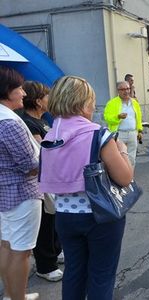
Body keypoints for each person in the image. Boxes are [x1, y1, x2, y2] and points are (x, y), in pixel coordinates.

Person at [39, 76, 134, 299]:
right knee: (101, 275)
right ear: (82, 104)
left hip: (65, 216)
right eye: (91, 102)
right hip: (100, 215)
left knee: (74, 273)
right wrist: (122, 150)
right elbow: (125, 178)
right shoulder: (98, 135)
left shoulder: (50, 136)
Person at [0, 66, 41, 300]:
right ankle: (18, 297)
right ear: (7, 91)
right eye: (19, 88)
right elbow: (31, 165)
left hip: (6, 192)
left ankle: (10, 294)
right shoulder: (10, 123)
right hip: (21, 193)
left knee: (6, 244)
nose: (24, 93)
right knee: (21, 251)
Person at [20, 81, 63, 282]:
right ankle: (45, 265)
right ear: (38, 101)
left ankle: (55, 250)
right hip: (39, 182)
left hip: (51, 179)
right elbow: (42, 153)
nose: (49, 100)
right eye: (46, 96)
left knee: (54, 217)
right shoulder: (29, 123)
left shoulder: (44, 119)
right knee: (44, 224)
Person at [104, 81, 143, 165]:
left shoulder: (134, 103)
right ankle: (121, 177)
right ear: (118, 91)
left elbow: (138, 118)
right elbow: (107, 118)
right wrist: (118, 117)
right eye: (123, 89)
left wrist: (139, 130)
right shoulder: (112, 103)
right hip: (119, 134)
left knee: (132, 159)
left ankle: (130, 177)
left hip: (132, 133)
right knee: (120, 159)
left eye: (128, 89)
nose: (126, 91)